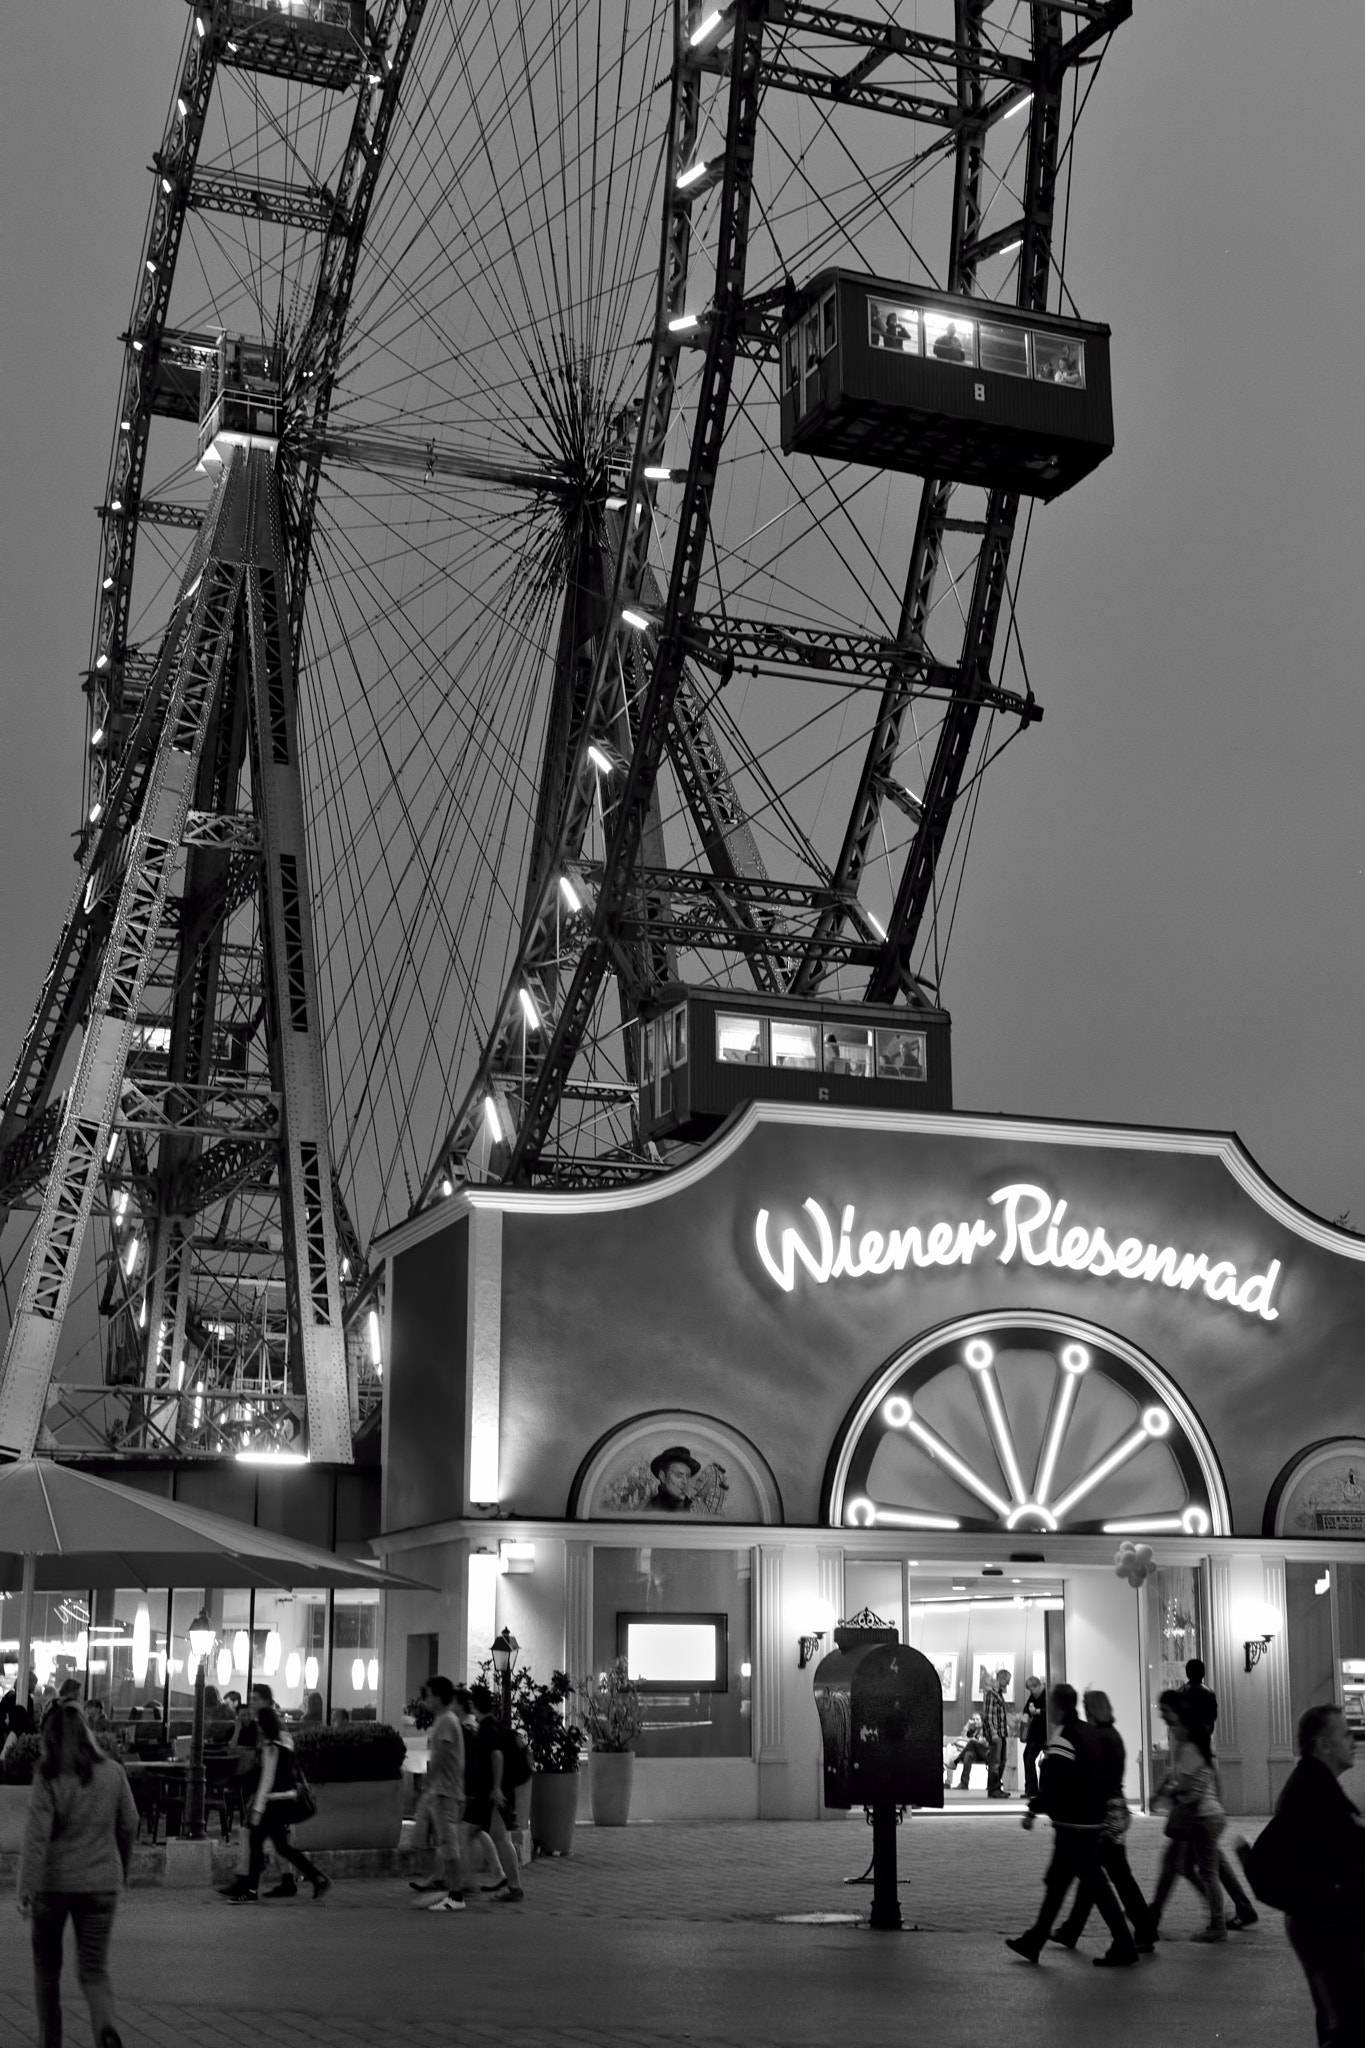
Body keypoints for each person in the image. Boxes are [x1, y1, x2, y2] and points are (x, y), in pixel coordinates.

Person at [1242, 1702, 1365, 2044]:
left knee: (1340, 2019)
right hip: (1325, 1928)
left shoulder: (1314, 1782)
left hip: (1320, 1923)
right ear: (1323, 1744)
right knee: (1344, 2023)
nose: (1353, 1740)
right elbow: (1340, 1853)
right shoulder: (1313, 1789)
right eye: (1345, 1734)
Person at [18, 1699, 138, 2048]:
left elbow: (37, 1836)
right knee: (94, 1969)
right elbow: (130, 1823)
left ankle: (48, 2040)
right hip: (101, 1882)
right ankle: (105, 2032)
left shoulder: (48, 1776)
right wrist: (122, 1868)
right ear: (87, 1734)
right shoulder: (113, 1772)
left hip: (52, 1886)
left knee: (46, 1968)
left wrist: (26, 1889)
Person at [1005, 1683, 1138, 1967]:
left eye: (1051, 1703)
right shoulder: (1089, 1732)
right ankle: (1035, 1939)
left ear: (1057, 1706)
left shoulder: (1064, 1737)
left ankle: (1125, 1944)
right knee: (1059, 1885)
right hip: (1089, 1821)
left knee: (1095, 1885)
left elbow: (1055, 1781)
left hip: (1073, 1824)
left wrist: (1034, 1809)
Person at [1050, 1690, 1156, 1954]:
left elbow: (1092, 1775)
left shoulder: (1099, 1737)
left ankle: (1143, 1930)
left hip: (1105, 1810)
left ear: (1094, 1708)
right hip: (1116, 1807)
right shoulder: (1112, 1734)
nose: (1084, 1709)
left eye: (1087, 1705)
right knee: (1096, 1874)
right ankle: (1071, 1930)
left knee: (1113, 1874)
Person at [220, 1704, 329, 1904]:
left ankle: (251, 1891)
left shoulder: (270, 1748)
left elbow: (266, 1781)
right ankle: (317, 1878)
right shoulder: (285, 1743)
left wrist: (256, 1810)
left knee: (256, 1843)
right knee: (282, 1847)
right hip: (286, 1800)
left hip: (272, 1804)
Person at [1147, 1690, 1230, 1941]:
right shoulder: (1193, 1746)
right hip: (1202, 1817)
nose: (1174, 1734)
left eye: (1178, 1729)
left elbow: (1185, 1786)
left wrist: (1169, 1794)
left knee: (1207, 1871)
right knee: (1182, 1865)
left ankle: (1218, 1923)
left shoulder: (1192, 1749)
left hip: (1201, 1818)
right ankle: (1155, 1914)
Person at [409, 1675, 466, 1911]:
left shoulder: (445, 1721)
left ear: (440, 1696)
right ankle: (450, 1889)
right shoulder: (447, 1720)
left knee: (448, 1842)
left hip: (444, 1791)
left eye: (429, 1695)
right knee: (445, 1842)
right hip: (445, 1790)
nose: (426, 1700)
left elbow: (441, 1757)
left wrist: (428, 1783)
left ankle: (456, 1895)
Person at [462, 1684, 524, 1903]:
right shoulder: (494, 1726)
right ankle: (506, 1884)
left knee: (498, 1838)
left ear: (473, 1705)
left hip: (494, 1794)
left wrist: (496, 1788)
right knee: (486, 1835)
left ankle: (513, 1887)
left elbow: (497, 1756)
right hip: (492, 1793)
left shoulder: (487, 1729)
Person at [981, 1668, 1011, 1799]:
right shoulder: (991, 1694)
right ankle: (993, 1789)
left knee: (1002, 1761)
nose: (1008, 1684)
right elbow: (988, 1715)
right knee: (996, 1761)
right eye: (1007, 1681)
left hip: (1001, 1732)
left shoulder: (998, 1694)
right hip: (996, 1733)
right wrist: (993, 1733)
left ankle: (997, 1786)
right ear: (1001, 1679)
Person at [647, 1447, 699, 1513]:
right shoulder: (650, 1508)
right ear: (662, 1476)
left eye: (688, 1476)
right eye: (679, 1475)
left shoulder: (694, 1508)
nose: (685, 1481)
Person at [1019, 1675, 1047, 1799]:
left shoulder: (1047, 1694)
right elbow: (1027, 1707)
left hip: (1046, 1732)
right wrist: (1025, 1714)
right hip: (1035, 1733)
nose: (1031, 1692)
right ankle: (1031, 1789)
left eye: (1032, 1689)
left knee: (1047, 1761)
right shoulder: (1033, 1695)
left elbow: (1050, 1710)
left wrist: (1038, 1711)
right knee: (1027, 1757)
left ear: (1038, 1686)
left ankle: (1044, 1789)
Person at [1179, 1659, 1219, 1745]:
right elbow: (1214, 1716)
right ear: (1203, 1673)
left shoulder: (1180, 1692)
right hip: (1204, 1740)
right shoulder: (1209, 1693)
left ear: (1187, 1673)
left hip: (1184, 1741)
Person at [950, 1712, 990, 1789]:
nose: (975, 1721)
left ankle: (957, 1760)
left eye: (977, 1719)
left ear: (982, 1721)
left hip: (985, 1753)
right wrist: (967, 1724)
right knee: (967, 1754)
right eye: (974, 1719)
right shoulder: (973, 1730)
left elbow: (985, 1743)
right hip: (976, 1754)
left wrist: (974, 1740)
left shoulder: (986, 1729)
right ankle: (964, 1784)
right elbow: (963, 1736)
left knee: (972, 1742)